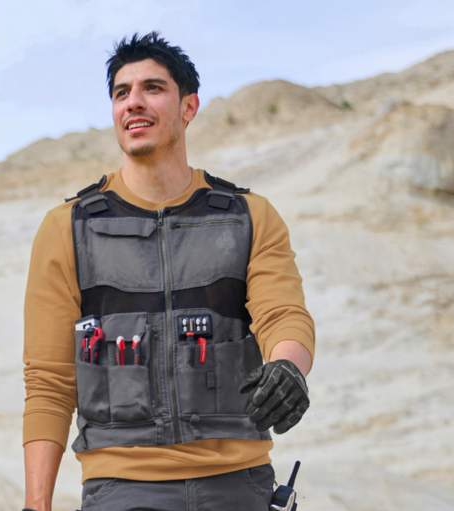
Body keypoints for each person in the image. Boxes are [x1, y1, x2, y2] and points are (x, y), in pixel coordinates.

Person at [22, 32, 315, 511]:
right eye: (121, 93)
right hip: (120, 488)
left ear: (189, 106)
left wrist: (288, 366)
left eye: (152, 88)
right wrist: (37, 506)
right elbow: (49, 382)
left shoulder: (249, 216)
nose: (133, 103)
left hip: (239, 484)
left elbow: (284, 315)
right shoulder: (66, 228)